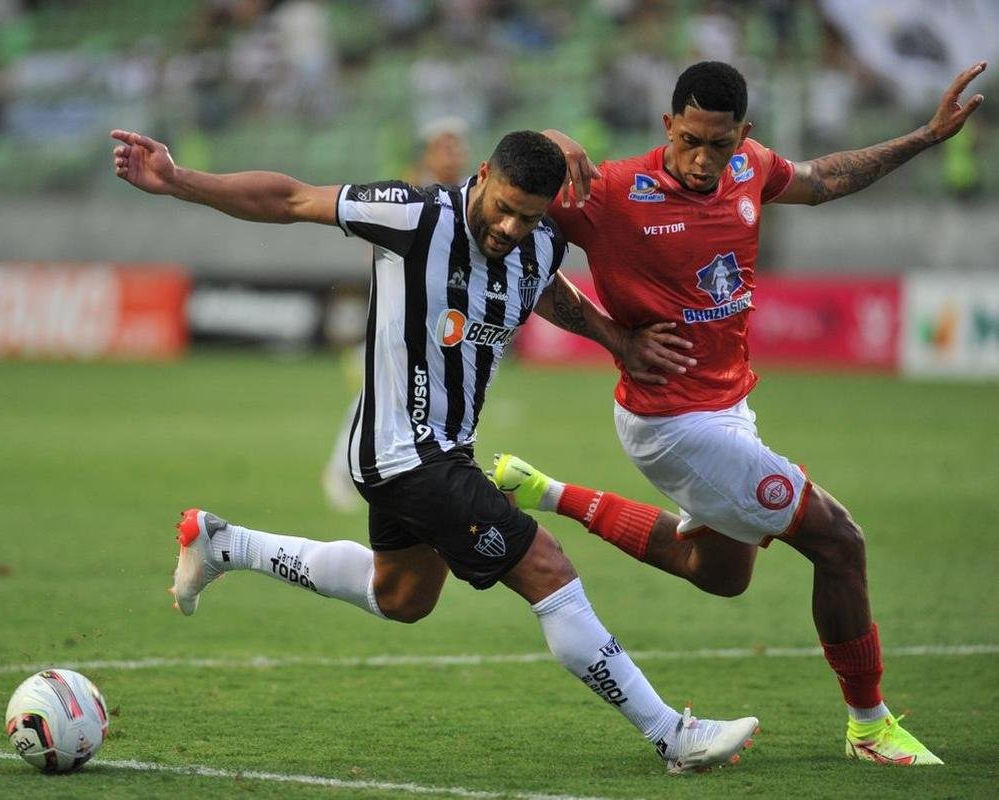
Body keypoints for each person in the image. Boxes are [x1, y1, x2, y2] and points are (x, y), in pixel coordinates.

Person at [112, 126, 758, 773]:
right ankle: (671, 735)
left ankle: (225, 544)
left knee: (402, 597)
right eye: (503, 208)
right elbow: (290, 199)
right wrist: (179, 181)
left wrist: (617, 340)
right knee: (546, 568)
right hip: (405, 454)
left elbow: (545, 286)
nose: (509, 228)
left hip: (440, 454)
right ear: (482, 175)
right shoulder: (414, 215)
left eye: (528, 217)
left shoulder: (536, 243)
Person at [490, 59, 988, 767]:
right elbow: (523, 255)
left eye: (718, 144)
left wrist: (926, 137)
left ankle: (545, 491)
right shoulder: (610, 192)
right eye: (689, 140)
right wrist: (614, 337)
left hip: (727, 409)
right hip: (672, 424)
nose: (702, 158)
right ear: (667, 125)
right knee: (839, 542)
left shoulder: (751, 167)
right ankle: (870, 726)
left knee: (719, 573)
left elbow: (822, 179)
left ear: (743, 134)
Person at [322, 115, 473, 513]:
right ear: (429, 153)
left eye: (457, 145)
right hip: (404, 314)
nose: (454, 153)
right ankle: (342, 470)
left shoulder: (470, 193)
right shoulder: (411, 191)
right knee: (377, 394)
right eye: (445, 146)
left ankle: (427, 467)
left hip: (445, 320)